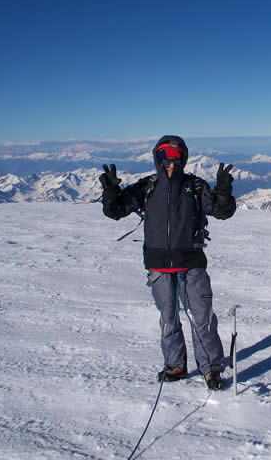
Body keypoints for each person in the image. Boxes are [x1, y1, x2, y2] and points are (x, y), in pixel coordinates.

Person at [99, 135, 236, 390]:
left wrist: (224, 190)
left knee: (201, 319)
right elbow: (116, 210)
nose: (170, 164)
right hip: (158, 266)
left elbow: (222, 211)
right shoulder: (146, 187)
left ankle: (212, 369)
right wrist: (110, 190)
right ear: (157, 159)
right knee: (168, 319)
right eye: (165, 159)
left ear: (183, 159)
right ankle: (175, 365)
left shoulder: (195, 186)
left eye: (175, 159)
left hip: (192, 264)